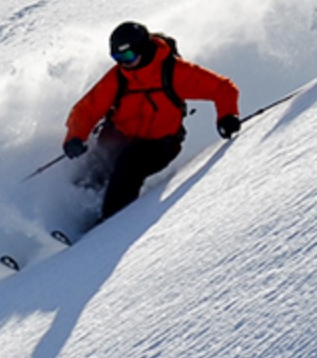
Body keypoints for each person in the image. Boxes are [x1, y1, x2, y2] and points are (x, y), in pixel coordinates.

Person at [62, 22, 242, 221]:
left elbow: (223, 88)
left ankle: (111, 226)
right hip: (119, 135)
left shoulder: (174, 72)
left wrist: (227, 116)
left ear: (144, 50)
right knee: (93, 170)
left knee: (127, 167)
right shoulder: (119, 77)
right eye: (117, 58)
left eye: (128, 56)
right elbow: (87, 108)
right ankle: (75, 220)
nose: (124, 63)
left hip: (158, 145)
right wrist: (75, 136)